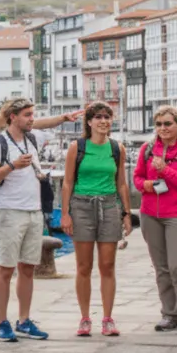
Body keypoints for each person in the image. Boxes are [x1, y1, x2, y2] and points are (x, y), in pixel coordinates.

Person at [0, 98, 84, 342]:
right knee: (5, 269)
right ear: (12, 116)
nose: (31, 119)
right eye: (27, 115)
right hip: (9, 212)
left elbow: (44, 124)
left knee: (28, 268)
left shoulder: (32, 138)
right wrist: (12, 166)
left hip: (34, 211)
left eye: (32, 114)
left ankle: (24, 320)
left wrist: (64, 117)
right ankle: (1, 323)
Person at [61, 102, 133, 337]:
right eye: (99, 117)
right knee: (84, 266)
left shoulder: (117, 148)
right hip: (82, 206)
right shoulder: (77, 147)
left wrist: (126, 214)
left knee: (107, 265)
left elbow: (121, 182)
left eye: (108, 117)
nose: (104, 121)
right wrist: (65, 213)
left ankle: (108, 318)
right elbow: (68, 182)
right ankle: (84, 318)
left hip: (109, 205)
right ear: (89, 122)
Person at [135, 106, 177, 333]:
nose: (163, 128)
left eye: (168, 124)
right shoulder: (147, 149)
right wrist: (145, 185)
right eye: (159, 124)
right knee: (161, 268)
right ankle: (169, 313)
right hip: (149, 214)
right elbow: (137, 177)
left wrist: (165, 171)